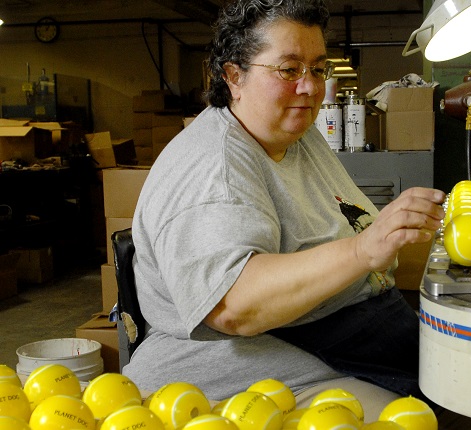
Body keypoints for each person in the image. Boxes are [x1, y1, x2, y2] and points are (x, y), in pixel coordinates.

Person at [122, 0, 446, 421]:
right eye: (289, 70)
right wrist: (363, 251)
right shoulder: (215, 168)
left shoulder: (295, 134)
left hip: (351, 327)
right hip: (258, 358)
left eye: (317, 68)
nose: (310, 87)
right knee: (417, 418)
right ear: (234, 76)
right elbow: (233, 307)